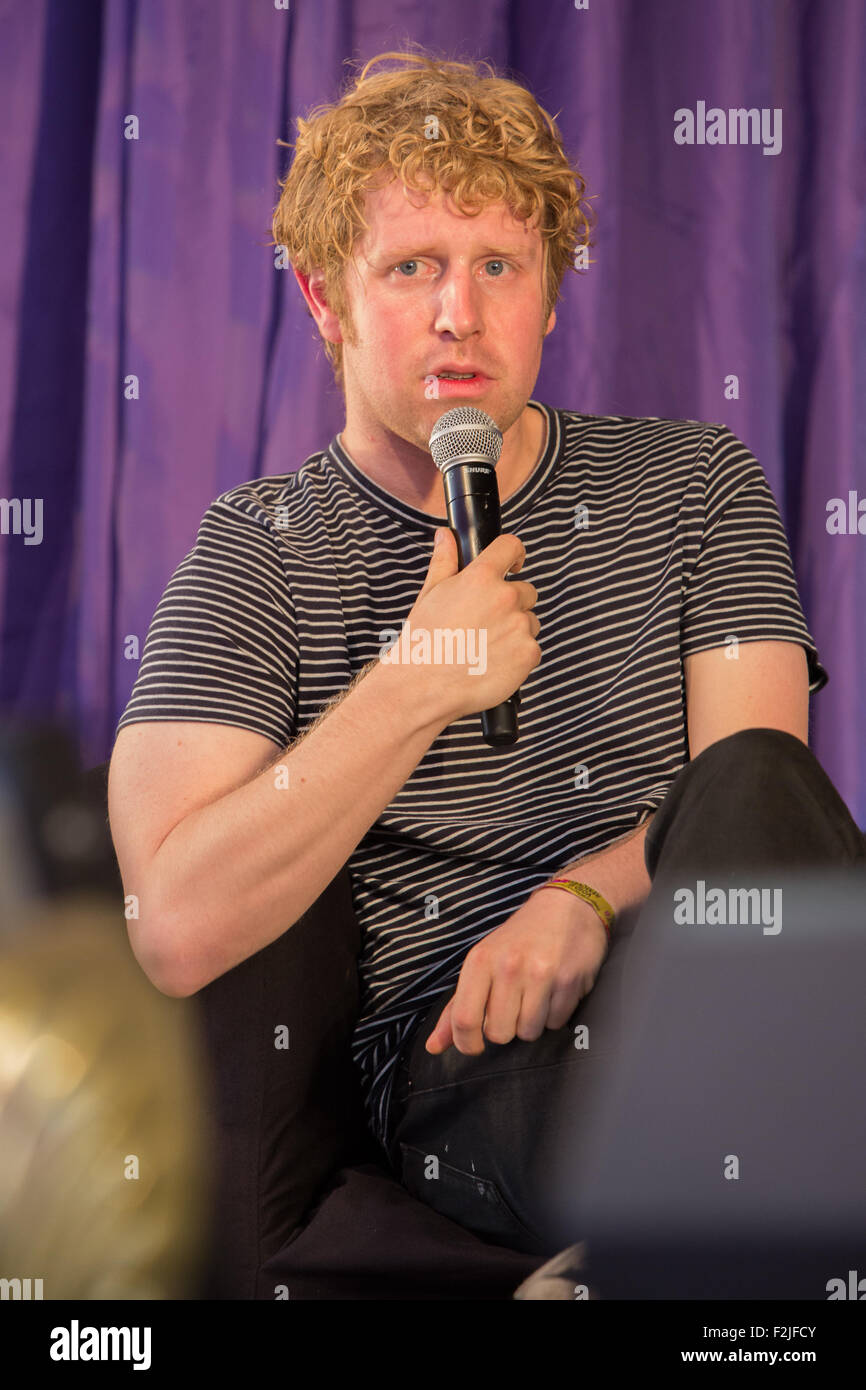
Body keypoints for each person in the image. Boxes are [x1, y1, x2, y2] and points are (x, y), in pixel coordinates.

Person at [107, 48, 864, 1266]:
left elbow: (753, 791)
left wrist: (577, 899)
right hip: (477, 1069)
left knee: (765, 806)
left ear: (549, 296)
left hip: (707, 973)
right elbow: (173, 919)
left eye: (497, 267)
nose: (457, 313)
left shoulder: (692, 484)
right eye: (411, 268)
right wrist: (416, 682)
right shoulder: (259, 552)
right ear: (323, 299)